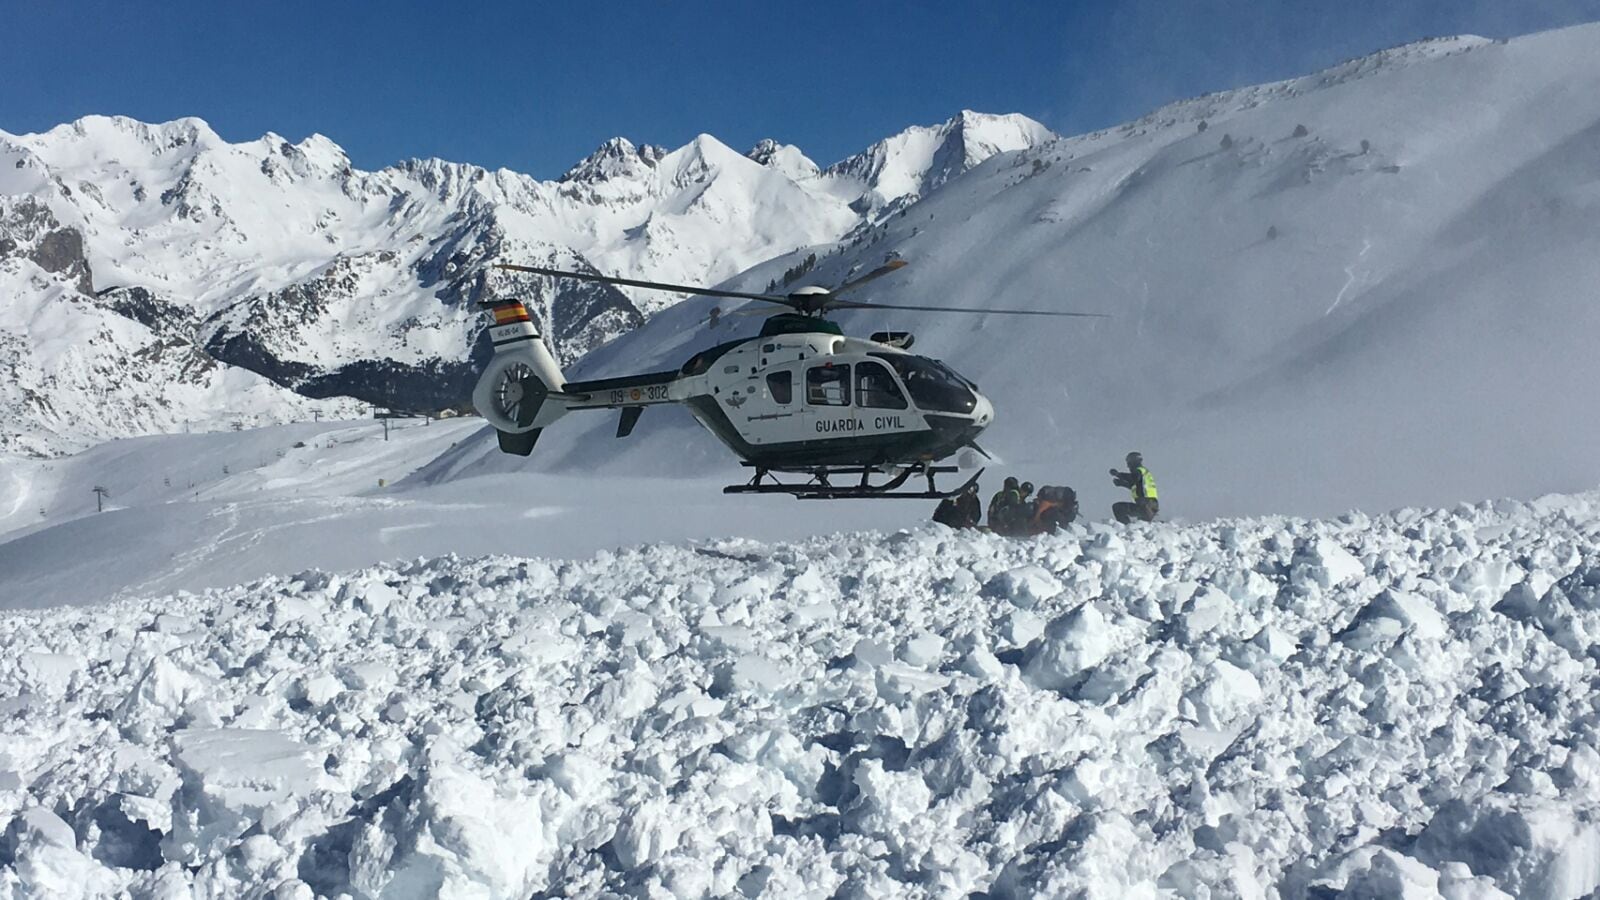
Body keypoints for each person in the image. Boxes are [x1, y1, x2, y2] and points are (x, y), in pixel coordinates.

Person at [1110, 452, 1159, 523]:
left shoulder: (1138, 471)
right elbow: (1135, 486)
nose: (1127, 466)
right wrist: (1122, 484)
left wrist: (1118, 474)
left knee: (1118, 508)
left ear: (1133, 462)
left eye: (1128, 463)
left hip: (1146, 505)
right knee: (1142, 525)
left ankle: (1126, 528)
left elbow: (1133, 478)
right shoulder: (1144, 473)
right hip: (1150, 506)